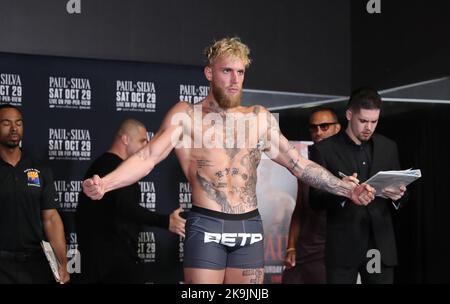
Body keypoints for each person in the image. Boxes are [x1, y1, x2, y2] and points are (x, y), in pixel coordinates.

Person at [82, 37, 375, 284]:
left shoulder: (258, 118)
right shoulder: (187, 116)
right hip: (206, 225)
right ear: (209, 73)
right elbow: (148, 157)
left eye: (241, 72)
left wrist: (345, 188)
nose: (235, 80)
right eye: (227, 71)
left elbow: (297, 164)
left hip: (249, 227)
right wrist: (105, 183)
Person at [309, 88, 407, 284]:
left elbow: (403, 195)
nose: (369, 127)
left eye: (374, 121)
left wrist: (399, 197)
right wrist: (343, 191)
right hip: (343, 248)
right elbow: (315, 200)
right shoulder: (324, 150)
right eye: (363, 121)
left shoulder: (389, 147)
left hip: (378, 246)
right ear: (349, 115)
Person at [75, 118, 186, 283]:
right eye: (143, 141)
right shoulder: (112, 167)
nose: (146, 146)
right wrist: (165, 221)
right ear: (125, 139)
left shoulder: (105, 164)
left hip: (107, 261)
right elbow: (126, 207)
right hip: (109, 265)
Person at [0, 104, 70, 284]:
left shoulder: (40, 169)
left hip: (35, 264)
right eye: (6, 123)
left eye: (19, 123)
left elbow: (51, 218)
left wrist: (62, 263)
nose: (14, 128)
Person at [283, 107, 341, 284]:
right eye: (314, 127)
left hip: (333, 247)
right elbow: (300, 207)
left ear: (337, 128)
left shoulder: (346, 161)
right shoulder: (305, 165)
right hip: (306, 246)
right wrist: (291, 246)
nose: (318, 132)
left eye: (324, 126)